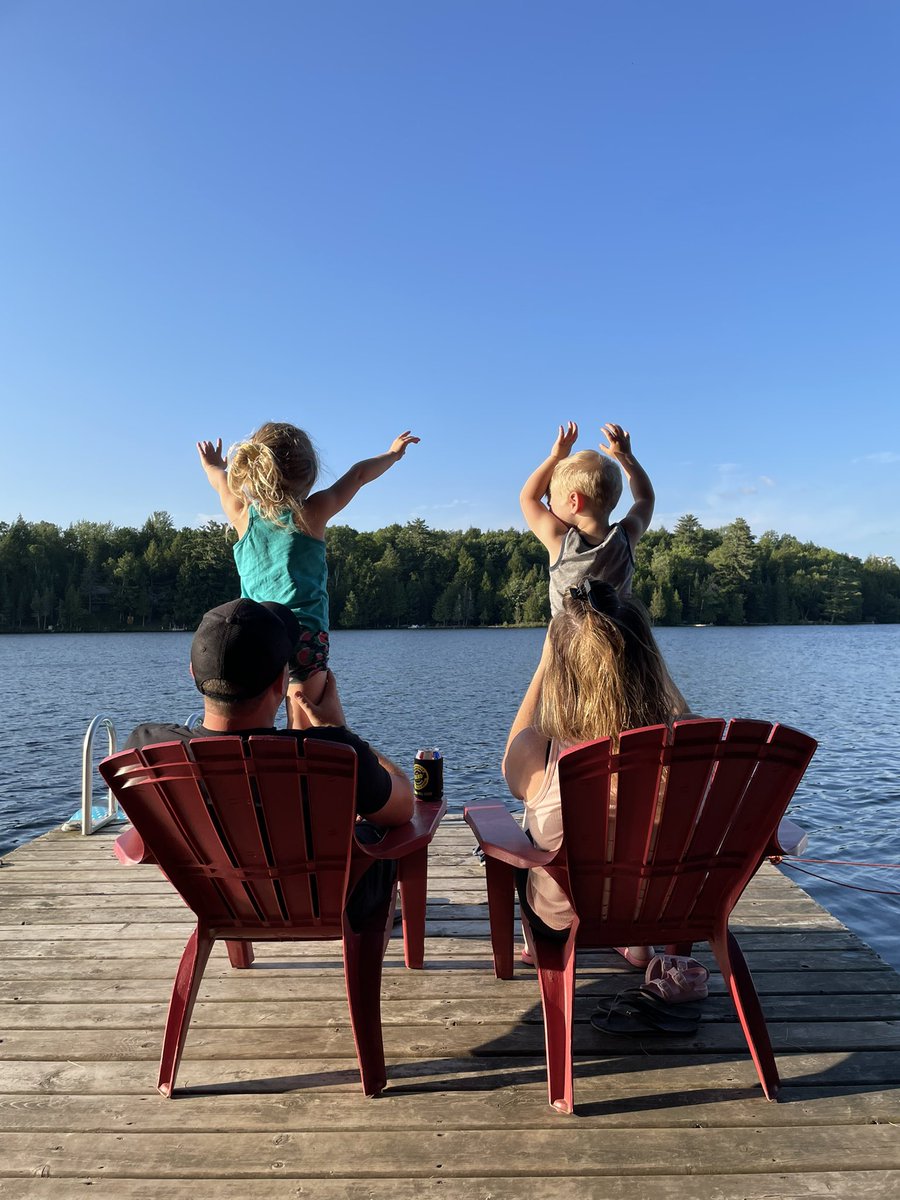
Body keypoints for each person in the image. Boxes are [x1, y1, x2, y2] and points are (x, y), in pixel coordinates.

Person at [126, 597, 415, 929]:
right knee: (377, 826)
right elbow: (403, 807)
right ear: (282, 682)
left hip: (221, 901)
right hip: (332, 903)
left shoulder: (146, 748)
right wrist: (340, 731)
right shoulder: (332, 752)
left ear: (193, 673)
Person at [502, 578, 690, 968]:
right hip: (664, 913)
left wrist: (545, 662)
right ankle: (638, 945)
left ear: (559, 670)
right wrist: (646, 662)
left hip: (562, 920)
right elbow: (682, 717)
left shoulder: (541, 751)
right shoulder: (690, 745)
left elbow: (510, 763)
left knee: (529, 824)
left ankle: (535, 947)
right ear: (649, 661)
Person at [197, 423, 419, 727]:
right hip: (303, 634)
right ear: (309, 474)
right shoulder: (311, 512)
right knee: (305, 730)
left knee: (247, 726)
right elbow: (358, 475)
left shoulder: (241, 513)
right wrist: (393, 455)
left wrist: (213, 465)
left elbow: (219, 480)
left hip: (253, 635)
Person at [520, 421, 654, 615]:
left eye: (550, 499)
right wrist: (625, 456)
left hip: (568, 635)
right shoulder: (625, 538)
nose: (548, 506)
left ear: (574, 501)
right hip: (619, 634)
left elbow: (528, 498)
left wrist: (555, 457)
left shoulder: (561, 542)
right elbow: (645, 498)